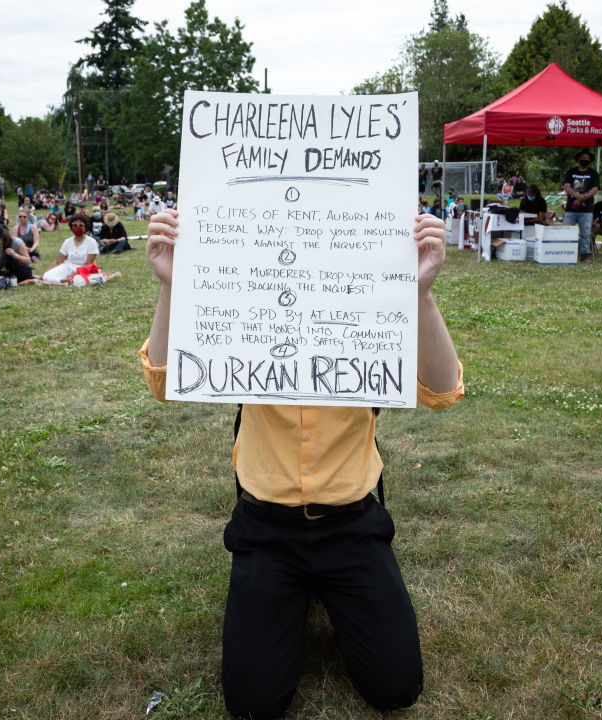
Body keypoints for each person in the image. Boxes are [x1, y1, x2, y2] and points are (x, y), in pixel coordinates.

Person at [140, 206, 462, 719]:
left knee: (397, 688)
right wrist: (174, 285)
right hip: (266, 528)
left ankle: (326, 593)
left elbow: (444, 390)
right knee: (252, 705)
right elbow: (162, 380)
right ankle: (291, 593)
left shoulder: (370, 298)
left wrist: (420, 291)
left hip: (352, 524)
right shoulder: (247, 293)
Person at [563, 149, 600, 262]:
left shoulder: (593, 173)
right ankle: (566, 252)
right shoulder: (571, 172)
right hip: (570, 208)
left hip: (586, 209)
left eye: (587, 158)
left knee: (586, 232)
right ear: (578, 159)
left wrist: (583, 198)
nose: (585, 160)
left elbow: (595, 189)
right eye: (583, 158)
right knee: (566, 231)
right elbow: (567, 186)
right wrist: (576, 195)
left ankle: (585, 254)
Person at [41, 212, 98, 284]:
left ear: (85, 227)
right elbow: (59, 261)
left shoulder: (91, 242)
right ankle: (65, 281)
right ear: (71, 227)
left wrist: (75, 274)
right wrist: (46, 272)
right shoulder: (67, 241)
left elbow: (89, 264)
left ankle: (65, 281)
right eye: (74, 225)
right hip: (68, 266)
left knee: (80, 280)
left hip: (84, 269)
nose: (78, 227)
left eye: (81, 225)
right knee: (46, 276)